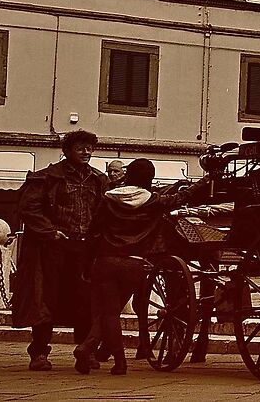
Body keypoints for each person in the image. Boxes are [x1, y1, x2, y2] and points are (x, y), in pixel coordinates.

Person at [13, 129, 109, 370]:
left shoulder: (98, 179)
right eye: (80, 148)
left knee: (86, 300)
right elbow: (29, 209)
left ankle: (85, 351)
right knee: (45, 299)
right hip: (52, 248)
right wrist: (50, 232)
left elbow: (104, 212)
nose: (86, 152)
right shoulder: (46, 177)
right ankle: (39, 353)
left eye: (89, 148)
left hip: (84, 248)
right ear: (67, 151)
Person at [80, 159, 168, 375]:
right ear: (150, 178)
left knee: (109, 313)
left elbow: (93, 232)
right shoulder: (154, 200)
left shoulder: (108, 199)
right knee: (112, 311)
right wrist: (206, 180)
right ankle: (93, 350)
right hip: (134, 263)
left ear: (128, 175)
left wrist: (85, 263)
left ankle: (116, 360)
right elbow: (182, 197)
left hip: (106, 260)